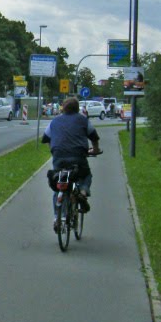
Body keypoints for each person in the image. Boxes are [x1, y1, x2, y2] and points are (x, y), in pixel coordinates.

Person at [41, 97, 102, 226]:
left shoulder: (54, 121)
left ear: (63, 108)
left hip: (59, 157)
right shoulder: (83, 120)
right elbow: (94, 137)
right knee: (86, 175)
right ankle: (83, 191)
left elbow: (46, 138)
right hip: (78, 156)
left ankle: (57, 217)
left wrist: (54, 150)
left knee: (58, 185)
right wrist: (95, 150)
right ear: (77, 108)